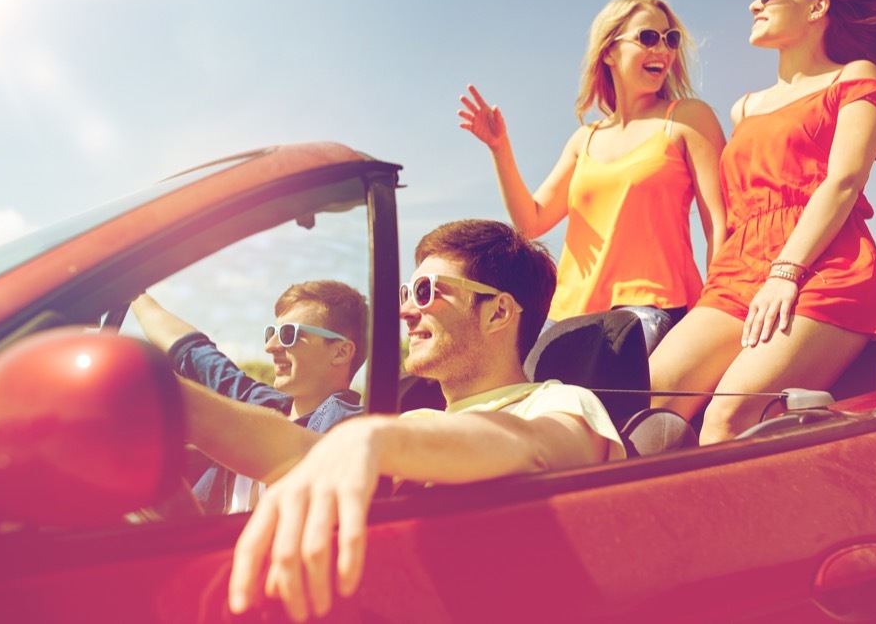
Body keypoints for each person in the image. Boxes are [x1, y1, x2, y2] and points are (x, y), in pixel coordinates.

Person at [180, 219, 623, 621]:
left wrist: (376, 437)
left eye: (428, 291)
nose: (406, 311)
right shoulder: (418, 423)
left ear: (498, 312)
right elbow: (295, 449)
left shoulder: (559, 403)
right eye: (406, 294)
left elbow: (538, 446)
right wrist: (170, 403)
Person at [650, 0, 876, 444]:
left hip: (821, 270)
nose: (755, 3)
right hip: (737, 272)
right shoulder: (743, 109)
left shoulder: (854, 77)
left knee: (729, 418)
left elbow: (844, 182)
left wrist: (785, 273)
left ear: (818, 7)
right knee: (652, 399)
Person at [458, 0, 727, 354]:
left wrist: (716, 310)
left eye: (671, 39)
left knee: (595, 396)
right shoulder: (584, 139)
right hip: (568, 311)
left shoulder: (687, 119)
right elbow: (531, 222)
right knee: (524, 401)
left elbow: (719, 224)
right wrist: (500, 148)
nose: (662, 50)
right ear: (609, 51)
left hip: (650, 309)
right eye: (648, 37)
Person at [130, 279, 366, 512]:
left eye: (288, 334)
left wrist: (146, 381)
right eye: (271, 333)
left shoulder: (352, 426)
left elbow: (308, 454)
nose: (271, 346)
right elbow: (191, 350)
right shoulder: (259, 402)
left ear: (341, 351)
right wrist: (132, 293)